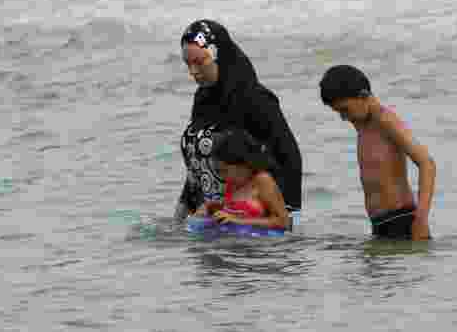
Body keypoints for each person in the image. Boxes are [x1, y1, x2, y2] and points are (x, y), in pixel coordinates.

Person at [176, 20, 303, 228]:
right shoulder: (202, 100)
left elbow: (289, 157)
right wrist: (181, 213)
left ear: (219, 56)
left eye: (199, 62)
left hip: (247, 218)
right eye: (188, 64)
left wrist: (289, 216)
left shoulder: (254, 99)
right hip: (206, 213)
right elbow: (197, 165)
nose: (193, 71)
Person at [319, 65, 435, 241]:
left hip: (402, 220)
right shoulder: (361, 123)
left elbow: (427, 163)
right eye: (338, 112)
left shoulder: (385, 120)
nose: (343, 117)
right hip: (379, 224)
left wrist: (421, 219)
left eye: (345, 110)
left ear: (363, 95)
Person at [195, 129, 290, 230]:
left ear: (243, 164)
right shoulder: (232, 183)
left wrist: (238, 221)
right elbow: (237, 209)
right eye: (219, 171)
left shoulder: (263, 180)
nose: (222, 176)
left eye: (224, 170)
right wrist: (209, 207)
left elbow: (283, 222)